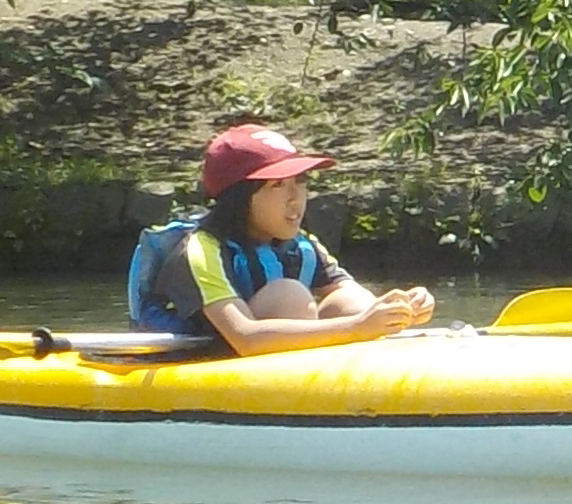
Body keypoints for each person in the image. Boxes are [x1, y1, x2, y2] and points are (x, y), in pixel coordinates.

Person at [127, 123, 436, 352]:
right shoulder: (200, 250)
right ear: (239, 197)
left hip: (273, 357)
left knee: (350, 300)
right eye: (277, 186)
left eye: (299, 182)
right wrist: (359, 327)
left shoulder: (302, 245)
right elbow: (245, 337)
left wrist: (401, 308)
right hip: (208, 362)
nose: (295, 198)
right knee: (290, 296)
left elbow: (357, 303)